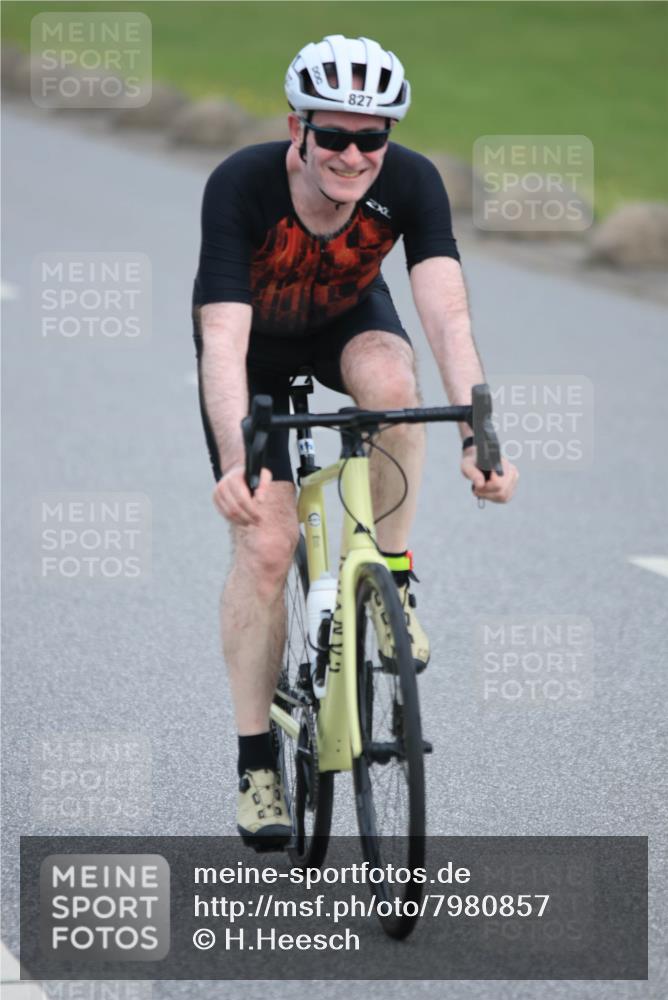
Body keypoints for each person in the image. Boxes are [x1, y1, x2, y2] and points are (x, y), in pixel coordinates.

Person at [192, 35, 519, 850]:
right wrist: (239, 457)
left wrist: (482, 427)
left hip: (345, 325)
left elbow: (445, 311)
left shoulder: (410, 182)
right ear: (296, 128)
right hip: (257, 354)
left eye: (370, 138)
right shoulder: (241, 184)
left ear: (389, 140)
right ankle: (256, 763)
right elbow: (222, 338)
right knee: (266, 548)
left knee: (395, 388)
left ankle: (394, 579)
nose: (350, 154)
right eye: (332, 135)